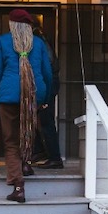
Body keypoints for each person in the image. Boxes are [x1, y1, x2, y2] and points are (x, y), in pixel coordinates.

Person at [0, 9, 53, 203]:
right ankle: (25, 164)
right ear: (29, 26)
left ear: (12, 24)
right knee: (27, 133)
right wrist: (46, 97)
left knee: (11, 141)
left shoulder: (2, 42)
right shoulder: (38, 43)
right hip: (33, 94)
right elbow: (47, 72)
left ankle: (18, 186)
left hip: (8, 96)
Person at [31, 24, 63, 169]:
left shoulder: (38, 42)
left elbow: (48, 67)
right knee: (37, 118)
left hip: (46, 83)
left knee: (45, 121)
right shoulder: (42, 40)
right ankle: (39, 151)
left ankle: (55, 158)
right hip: (46, 82)